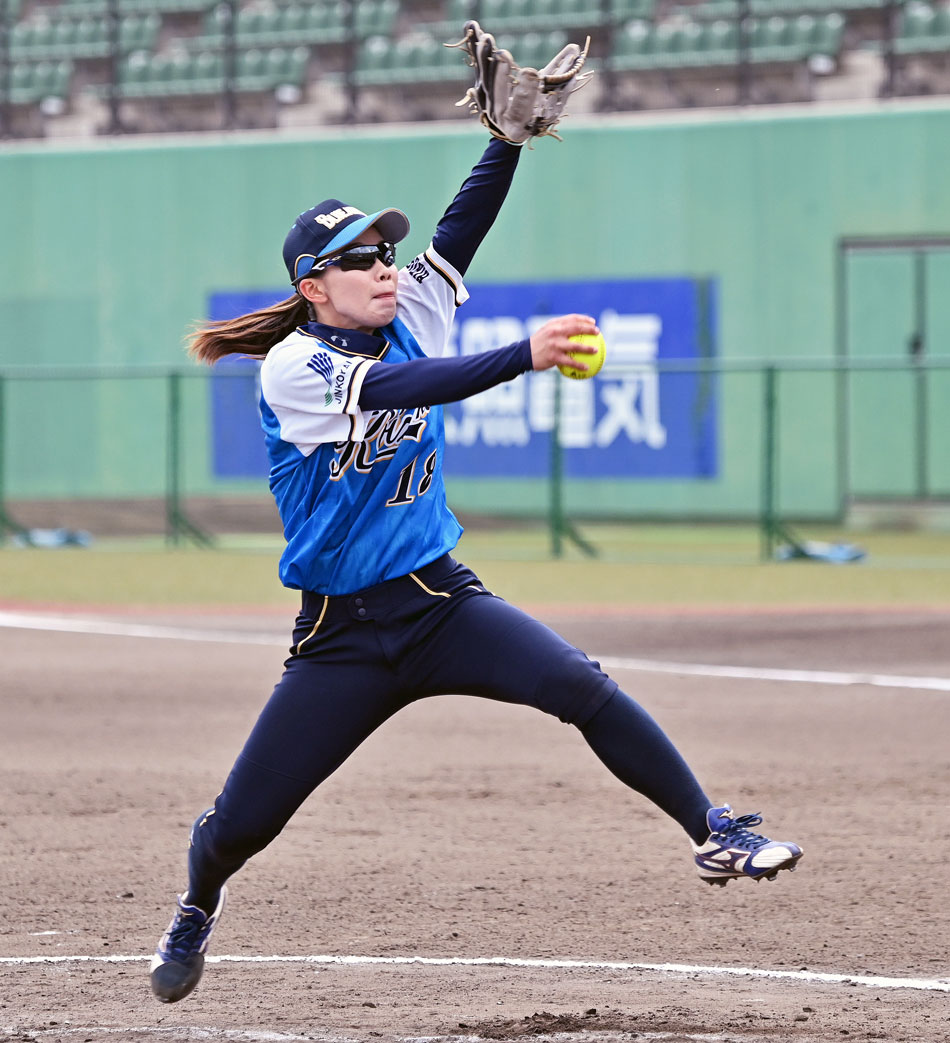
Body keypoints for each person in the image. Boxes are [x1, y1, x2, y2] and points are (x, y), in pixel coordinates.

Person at [149, 136, 803, 1005]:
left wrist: (507, 142)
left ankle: (712, 829)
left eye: (384, 252)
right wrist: (523, 355)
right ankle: (198, 904)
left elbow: (460, 230)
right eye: (357, 260)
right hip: (340, 636)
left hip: (439, 603)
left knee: (581, 685)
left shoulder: (410, 311)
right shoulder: (294, 366)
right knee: (241, 825)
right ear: (313, 287)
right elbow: (405, 389)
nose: (384, 268)